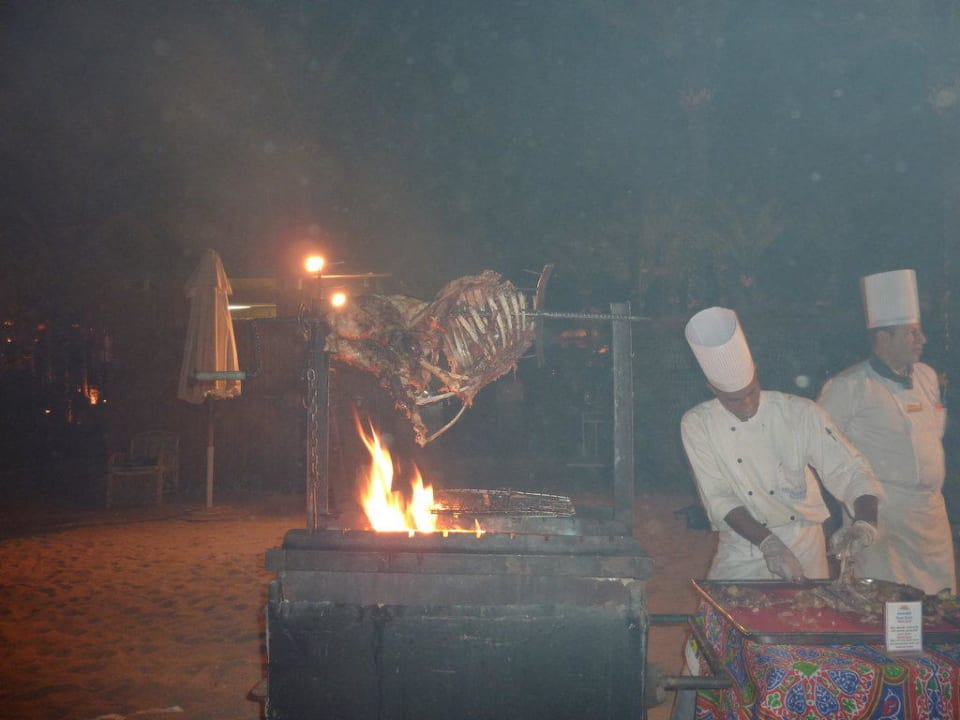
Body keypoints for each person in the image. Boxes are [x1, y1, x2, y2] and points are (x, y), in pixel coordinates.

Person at [670, 307, 882, 720]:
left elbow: (851, 470)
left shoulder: (800, 413)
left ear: (757, 376)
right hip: (741, 550)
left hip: (804, 545)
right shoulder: (698, 424)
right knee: (707, 651)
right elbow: (717, 497)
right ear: (713, 389)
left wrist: (864, 523)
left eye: (751, 391)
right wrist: (767, 543)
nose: (746, 405)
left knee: (801, 654)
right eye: (733, 399)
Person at [818, 269, 956, 595]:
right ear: (883, 339)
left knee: (940, 607)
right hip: (882, 519)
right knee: (884, 606)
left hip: (930, 517)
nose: (922, 340)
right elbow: (821, 449)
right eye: (911, 333)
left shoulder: (927, 377)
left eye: (919, 332)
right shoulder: (847, 387)